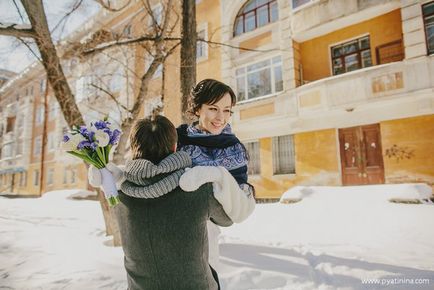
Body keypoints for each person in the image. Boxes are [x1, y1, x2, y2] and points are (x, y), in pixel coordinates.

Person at [89, 79, 256, 288]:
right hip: (161, 227)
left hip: (204, 233)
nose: (220, 117)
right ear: (197, 108)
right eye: (213, 109)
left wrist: (217, 177)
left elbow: (236, 203)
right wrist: (115, 176)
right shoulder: (176, 137)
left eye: (227, 110)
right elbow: (146, 169)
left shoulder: (234, 150)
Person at [115, 115, 233, 290]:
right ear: (174, 146)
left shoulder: (119, 197)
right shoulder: (198, 189)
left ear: (133, 149)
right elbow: (227, 219)